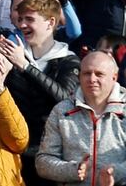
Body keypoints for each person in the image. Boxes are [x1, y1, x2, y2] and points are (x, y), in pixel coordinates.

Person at [0, 0, 80, 186]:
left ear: (50, 23)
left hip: (52, 153)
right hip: (13, 150)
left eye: (29, 19)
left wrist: (25, 67)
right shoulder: (14, 55)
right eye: (20, 19)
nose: (22, 25)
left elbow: (64, 99)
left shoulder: (68, 60)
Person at [36, 51, 126, 185]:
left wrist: (116, 173)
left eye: (99, 74)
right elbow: (43, 163)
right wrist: (74, 170)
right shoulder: (62, 110)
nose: (92, 79)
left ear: (114, 77)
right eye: (86, 73)